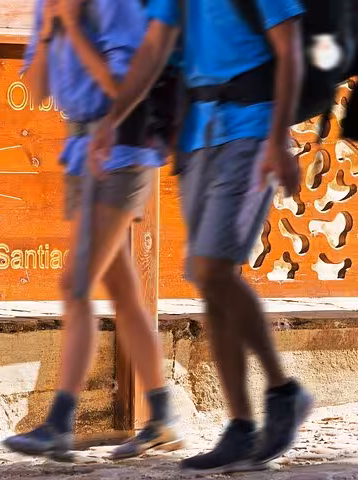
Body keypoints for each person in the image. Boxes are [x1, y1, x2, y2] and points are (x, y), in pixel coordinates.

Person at [89, 0, 314, 473]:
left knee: (211, 269)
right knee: (210, 280)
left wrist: (278, 138)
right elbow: (153, 51)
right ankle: (240, 427)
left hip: (251, 130)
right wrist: (113, 121)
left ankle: (281, 391)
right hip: (196, 137)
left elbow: (290, 48)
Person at [2, 0, 182, 461]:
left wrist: (74, 30)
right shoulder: (50, 7)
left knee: (75, 284)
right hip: (81, 153)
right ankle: (161, 419)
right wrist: (50, 31)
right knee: (121, 291)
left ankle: (60, 424)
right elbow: (39, 87)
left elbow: (125, 87)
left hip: (121, 150)